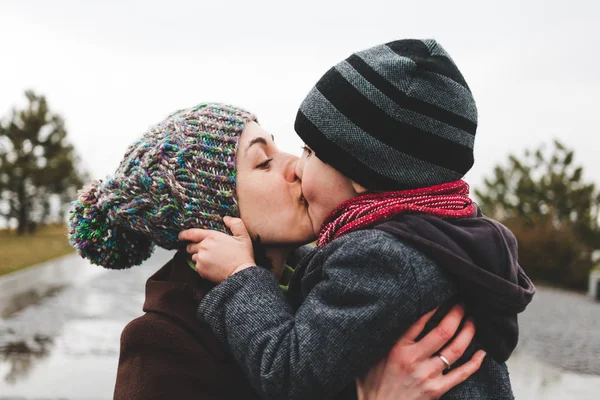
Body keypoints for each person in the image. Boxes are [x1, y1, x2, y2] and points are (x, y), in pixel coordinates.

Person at [181, 39, 536, 399]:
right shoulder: (435, 238)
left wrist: (241, 276)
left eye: (311, 152)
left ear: (361, 173)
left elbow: (288, 375)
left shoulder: (380, 259)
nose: (298, 167)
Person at [68, 104, 481, 400]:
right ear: (216, 215)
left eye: (282, 149)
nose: (297, 167)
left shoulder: (335, 287)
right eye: (263, 163)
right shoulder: (161, 344)